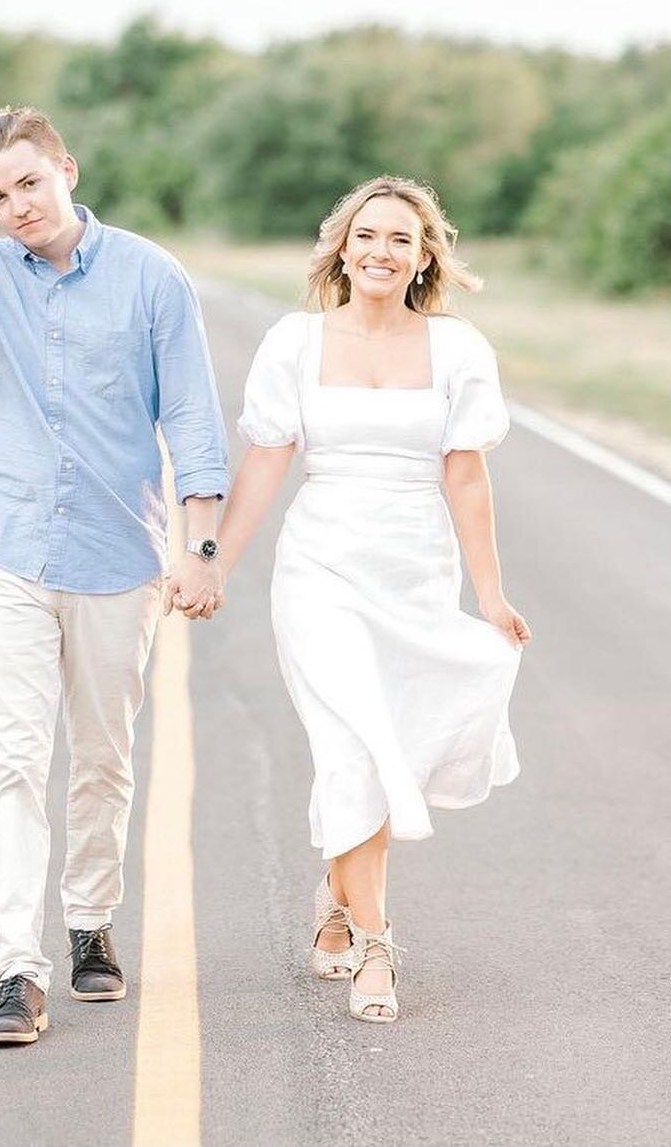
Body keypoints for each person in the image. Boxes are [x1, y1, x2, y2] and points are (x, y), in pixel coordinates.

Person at [0, 106, 228, 1046]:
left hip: (118, 557)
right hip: (5, 546)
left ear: (67, 168)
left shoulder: (151, 275)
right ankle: (15, 969)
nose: (18, 205)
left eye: (30, 181)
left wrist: (201, 545)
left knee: (102, 756)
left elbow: (192, 416)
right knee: (14, 759)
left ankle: (89, 921)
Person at [178, 175, 530, 1023]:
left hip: (412, 569)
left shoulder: (457, 351)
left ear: (423, 257)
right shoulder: (295, 342)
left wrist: (489, 593)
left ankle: (338, 894)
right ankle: (378, 943)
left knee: (390, 744)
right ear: (341, 245)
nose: (380, 251)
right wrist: (215, 559)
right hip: (321, 569)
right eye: (367, 235)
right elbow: (265, 461)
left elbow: (466, 474)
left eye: (400, 239)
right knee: (351, 748)